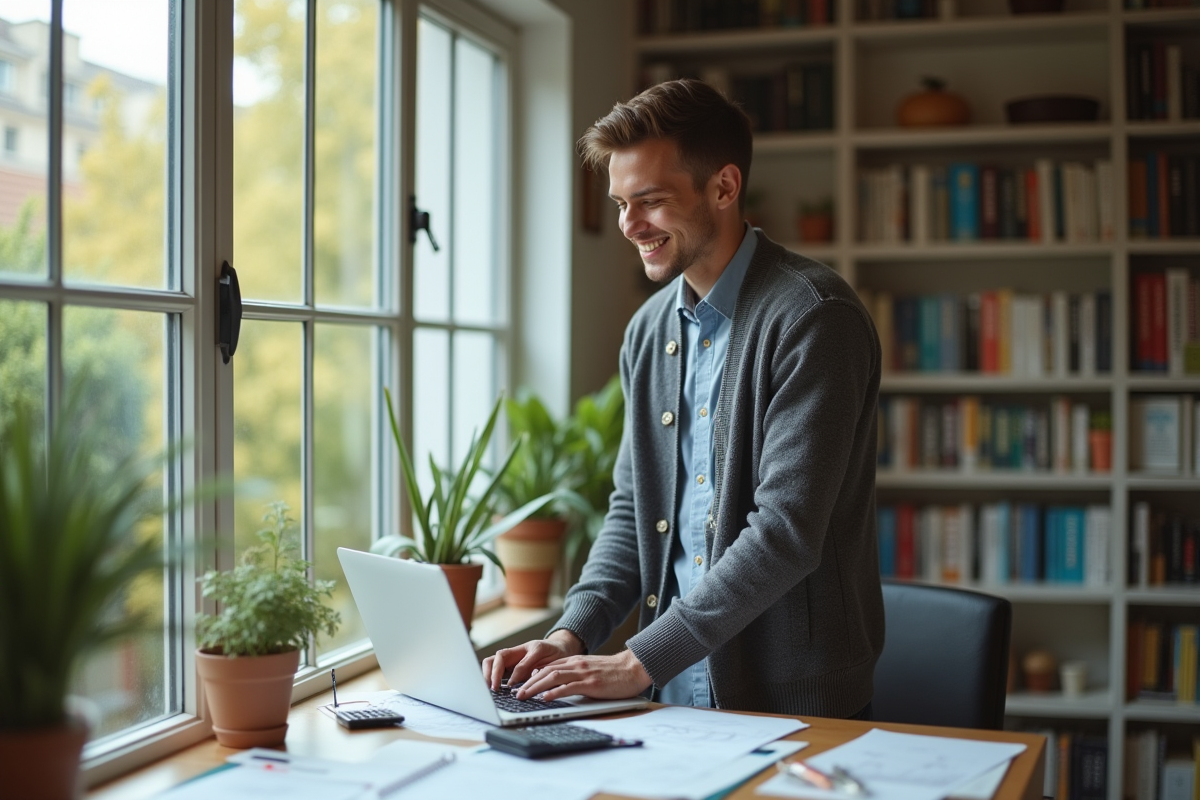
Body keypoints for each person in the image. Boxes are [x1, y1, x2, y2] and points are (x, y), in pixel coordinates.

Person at [483, 78, 883, 719]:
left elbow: (785, 534)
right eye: (618, 203)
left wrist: (634, 661)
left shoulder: (814, 316)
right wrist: (571, 634)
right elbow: (629, 509)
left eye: (650, 201)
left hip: (793, 706)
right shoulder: (647, 331)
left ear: (724, 188)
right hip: (670, 699)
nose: (628, 225)